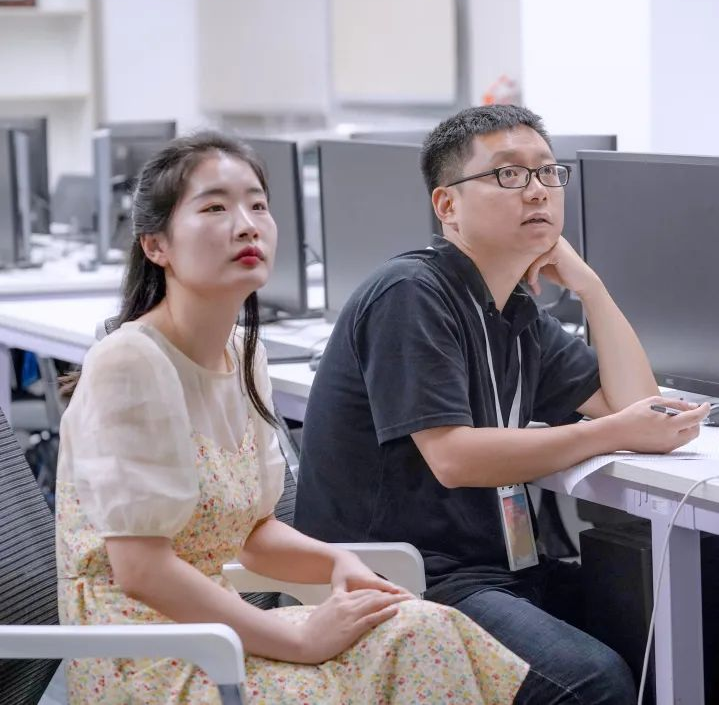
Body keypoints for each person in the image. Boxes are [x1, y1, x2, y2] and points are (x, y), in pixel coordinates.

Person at [55, 131, 530, 704]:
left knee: (425, 630)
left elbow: (253, 533)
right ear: (156, 245)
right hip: (146, 656)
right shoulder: (130, 361)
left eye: (258, 205)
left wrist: (337, 563)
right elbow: (142, 572)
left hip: (215, 630)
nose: (246, 225)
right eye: (214, 208)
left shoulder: (243, 353)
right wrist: (296, 639)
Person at [294, 105, 711, 703]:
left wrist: (590, 287)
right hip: (400, 581)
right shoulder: (411, 294)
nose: (537, 190)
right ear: (447, 205)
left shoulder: (515, 314)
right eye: (509, 174)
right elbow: (455, 458)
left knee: (670, 633)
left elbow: (640, 407)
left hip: (493, 570)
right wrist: (612, 432)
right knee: (592, 681)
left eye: (547, 172)